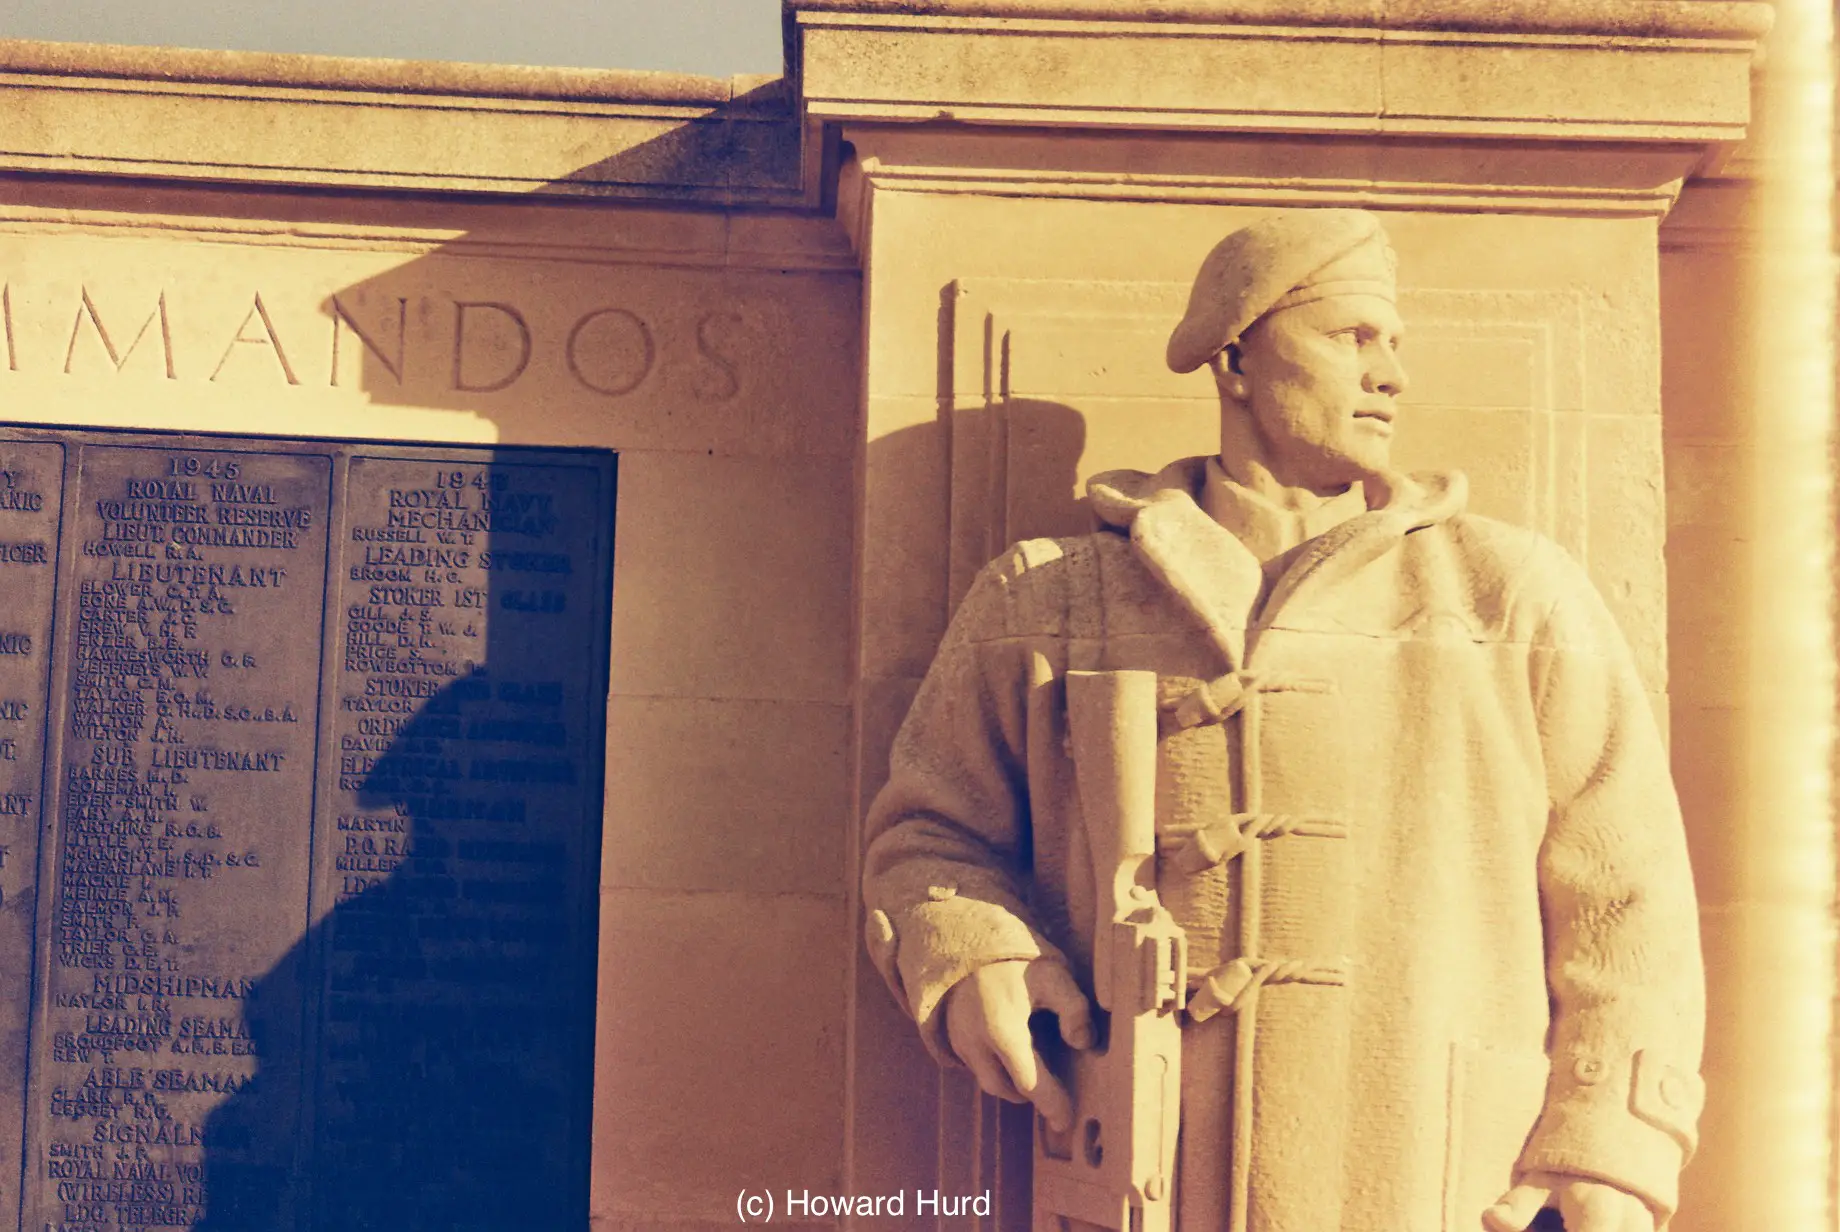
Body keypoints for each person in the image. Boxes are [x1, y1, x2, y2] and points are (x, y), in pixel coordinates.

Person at [861, 209, 1705, 1232]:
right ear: (1235, 359)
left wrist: (1610, 1148)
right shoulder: (1051, 597)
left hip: (1437, 1181)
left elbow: (1628, 898)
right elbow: (927, 833)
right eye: (1353, 337)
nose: (1390, 373)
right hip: (1136, 1178)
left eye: (1395, 345)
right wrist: (972, 951)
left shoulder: (1508, 594)